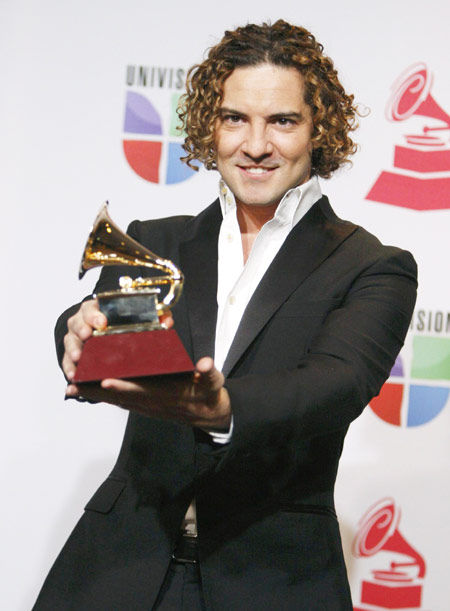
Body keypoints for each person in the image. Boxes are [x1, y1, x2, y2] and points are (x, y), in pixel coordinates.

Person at [34, 20, 417, 611]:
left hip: (273, 581)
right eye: (235, 118)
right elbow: (107, 332)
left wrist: (223, 409)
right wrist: (78, 333)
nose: (255, 145)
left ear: (319, 129)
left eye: (282, 121)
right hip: (117, 570)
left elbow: (334, 385)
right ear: (209, 126)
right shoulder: (153, 241)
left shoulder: (372, 266)